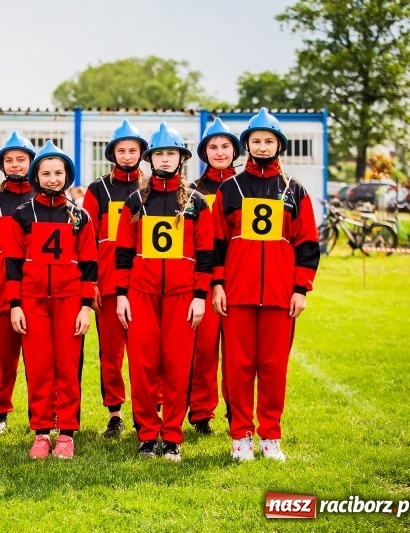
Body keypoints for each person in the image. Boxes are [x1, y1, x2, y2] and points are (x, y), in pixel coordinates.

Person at [212, 108, 320, 462]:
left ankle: (270, 436)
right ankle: (240, 435)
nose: (261, 146)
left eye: (268, 140)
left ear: (279, 145)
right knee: (238, 367)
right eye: (255, 141)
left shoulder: (295, 190)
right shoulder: (230, 189)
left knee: (274, 368)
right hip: (238, 294)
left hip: (279, 295)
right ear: (247, 145)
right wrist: (217, 285)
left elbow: (307, 245)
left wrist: (300, 289)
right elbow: (216, 243)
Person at [115, 123, 213, 461]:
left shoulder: (196, 203)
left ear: (181, 158)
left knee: (176, 366)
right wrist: (122, 294)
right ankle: (146, 434)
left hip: (183, 295)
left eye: (172, 153)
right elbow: (123, 252)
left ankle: (171, 435)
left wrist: (201, 296)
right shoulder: (136, 200)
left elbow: (206, 254)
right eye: (160, 154)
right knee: (142, 366)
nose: (166, 159)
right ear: (150, 159)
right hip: (141, 294)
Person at [3, 141, 97, 460]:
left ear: (67, 176)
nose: (53, 178)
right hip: (32, 301)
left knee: (67, 367)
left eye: (58, 173)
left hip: (69, 300)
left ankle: (67, 433)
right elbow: (12, 264)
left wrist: (86, 306)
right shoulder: (22, 214)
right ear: (36, 176)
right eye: (46, 173)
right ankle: (42, 431)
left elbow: (89, 265)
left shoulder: (79, 215)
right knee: (40, 367)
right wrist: (15, 305)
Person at [82, 119, 147, 438]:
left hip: (145, 285)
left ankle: (147, 412)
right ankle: (115, 413)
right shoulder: (98, 190)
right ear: (112, 153)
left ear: (141, 153)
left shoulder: (152, 188)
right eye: (120, 150)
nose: (126, 155)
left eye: (132, 150)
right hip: (107, 285)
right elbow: (86, 240)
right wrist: (91, 282)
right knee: (111, 353)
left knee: (146, 353)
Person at [186, 118, 242, 436]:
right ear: (204, 152)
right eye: (213, 147)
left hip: (239, 281)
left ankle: (237, 411)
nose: (219, 152)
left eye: (225, 146)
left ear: (234, 150)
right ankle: (201, 414)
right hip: (204, 282)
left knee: (236, 353)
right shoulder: (191, 192)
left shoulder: (247, 187)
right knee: (204, 350)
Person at [0, 132, 36, 434]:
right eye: (9, 160)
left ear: (31, 162)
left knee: (38, 358)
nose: (15, 165)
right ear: (2, 165)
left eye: (21, 160)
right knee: (5, 357)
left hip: (36, 289)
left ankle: (41, 413)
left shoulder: (44, 197)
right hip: (1, 289)